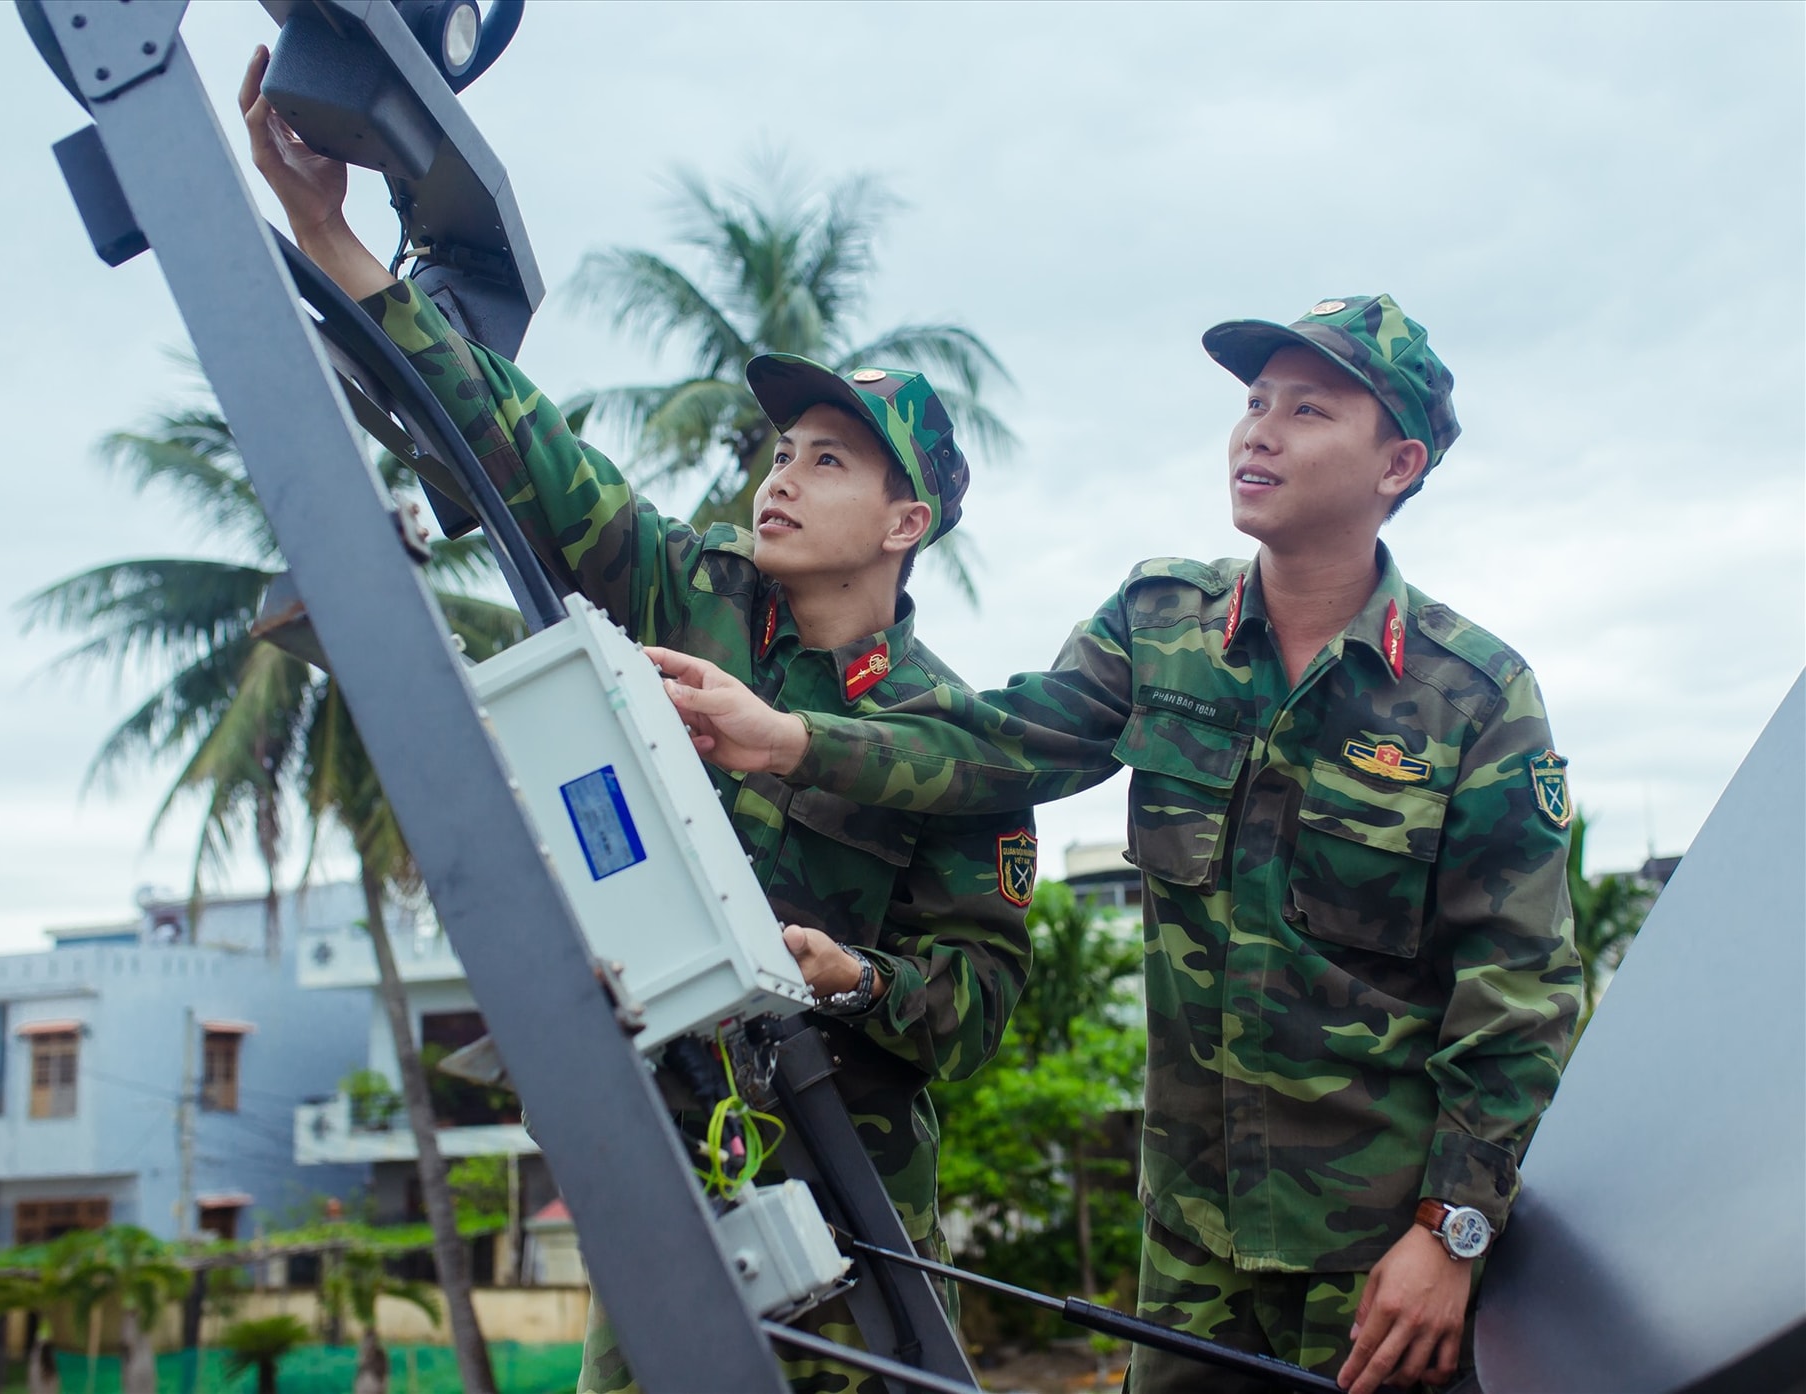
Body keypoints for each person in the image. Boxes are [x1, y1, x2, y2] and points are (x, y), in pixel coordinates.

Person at [238, 47, 1034, 1393]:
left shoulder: (949, 740)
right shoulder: (689, 587)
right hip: (671, 1180)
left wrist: (853, 976)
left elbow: (982, 998)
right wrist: (330, 236)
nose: (780, 477)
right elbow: (520, 450)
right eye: (780, 450)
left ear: (906, 524)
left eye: (826, 459)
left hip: (857, 1211)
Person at [650, 294, 1584, 1394]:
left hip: (1381, 1266)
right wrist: (789, 737)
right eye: (1253, 402)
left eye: (1310, 409)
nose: (1259, 431)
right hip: (1190, 1256)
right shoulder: (1160, 625)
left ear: (1399, 462)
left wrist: (1451, 1229)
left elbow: (1517, 993)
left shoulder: (1473, 697)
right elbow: (998, 744)